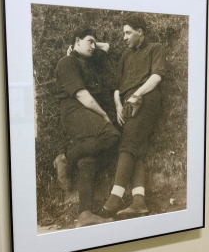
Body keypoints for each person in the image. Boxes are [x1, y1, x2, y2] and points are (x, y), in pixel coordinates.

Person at [100, 15, 166, 219]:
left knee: (128, 144)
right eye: (123, 33)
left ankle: (115, 198)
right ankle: (139, 202)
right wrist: (118, 105)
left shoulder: (156, 48)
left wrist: (137, 95)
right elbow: (117, 87)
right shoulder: (125, 56)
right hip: (126, 105)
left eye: (128, 32)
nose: (124, 37)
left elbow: (157, 76)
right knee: (135, 150)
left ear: (141, 32)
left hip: (145, 99)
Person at [54, 25, 121, 227]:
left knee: (88, 159)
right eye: (89, 41)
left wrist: (90, 43)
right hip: (75, 114)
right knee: (112, 135)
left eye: (94, 42)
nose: (93, 46)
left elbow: (107, 47)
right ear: (76, 41)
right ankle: (65, 159)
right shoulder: (67, 62)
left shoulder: (88, 61)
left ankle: (85, 214)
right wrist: (104, 116)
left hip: (85, 115)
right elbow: (82, 96)